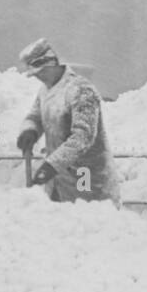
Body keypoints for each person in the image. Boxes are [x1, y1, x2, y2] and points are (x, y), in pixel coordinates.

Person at [16, 38, 120, 205]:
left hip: (86, 175)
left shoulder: (80, 90)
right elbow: (35, 115)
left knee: (88, 220)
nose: (38, 78)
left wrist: (52, 165)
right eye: (35, 75)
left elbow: (82, 138)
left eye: (40, 72)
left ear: (52, 63)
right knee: (62, 225)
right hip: (59, 180)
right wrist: (30, 130)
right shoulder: (45, 91)